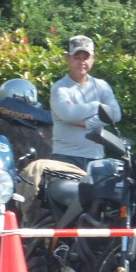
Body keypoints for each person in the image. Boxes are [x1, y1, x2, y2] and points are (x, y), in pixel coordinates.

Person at [49, 35, 122, 170]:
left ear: (93, 59)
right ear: (68, 59)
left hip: (96, 157)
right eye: (77, 57)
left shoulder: (102, 86)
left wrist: (86, 123)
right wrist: (97, 106)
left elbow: (115, 114)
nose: (81, 62)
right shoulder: (59, 88)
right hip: (65, 157)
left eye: (86, 57)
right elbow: (69, 114)